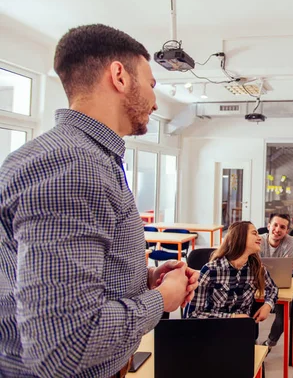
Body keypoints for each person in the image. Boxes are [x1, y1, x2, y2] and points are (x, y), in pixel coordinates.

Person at [0, 24, 199, 378]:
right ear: (119, 76)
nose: (155, 102)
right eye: (151, 85)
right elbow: (64, 345)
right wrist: (160, 300)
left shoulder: (81, 157)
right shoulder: (74, 165)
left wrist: (144, 279)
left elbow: (57, 281)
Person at [188, 221, 278, 321]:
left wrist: (268, 305)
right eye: (254, 233)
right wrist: (232, 317)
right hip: (213, 328)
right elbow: (194, 314)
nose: (260, 238)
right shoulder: (210, 270)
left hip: (241, 329)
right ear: (240, 237)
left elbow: (272, 289)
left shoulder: (256, 268)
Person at [257, 213, 293, 350]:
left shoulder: (290, 241)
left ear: (287, 231)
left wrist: (264, 266)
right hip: (257, 284)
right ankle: (252, 342)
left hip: (280, 285)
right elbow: (254, 266)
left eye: (282, 227)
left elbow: (288, 268)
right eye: (275, 225)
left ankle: (269, 344)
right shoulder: (259, 240)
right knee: (247, 310)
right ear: (268, 226)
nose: (278, 230)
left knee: (284, 316)